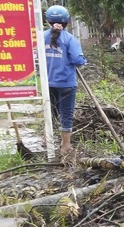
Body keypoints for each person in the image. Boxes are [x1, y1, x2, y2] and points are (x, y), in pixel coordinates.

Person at [44, 5, 87, 159]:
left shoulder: (42, 37)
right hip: (67, 84)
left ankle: (47, 141)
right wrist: (84, 60)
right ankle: (65, 146)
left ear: (47, 21)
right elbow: (77, 60)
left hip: (47, 83)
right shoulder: (70, 39)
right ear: (67, 21)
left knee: (50, 112)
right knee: (66, 114)